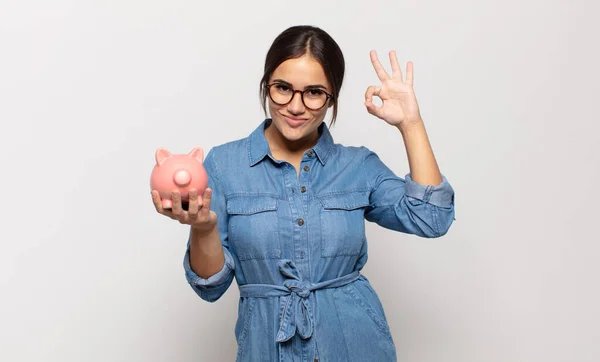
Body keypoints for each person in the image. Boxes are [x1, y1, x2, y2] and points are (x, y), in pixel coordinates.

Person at [151, 25, 455, 362]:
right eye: (283, 88)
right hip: (265, 349)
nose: (295, 106)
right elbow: (210, 286)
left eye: (313, 92)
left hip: (356, 346)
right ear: (267, 87)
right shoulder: (224, 165)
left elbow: (431, 218)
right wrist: (203, 227)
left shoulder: (358, 166)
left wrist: (410, 124)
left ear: (332, 97)